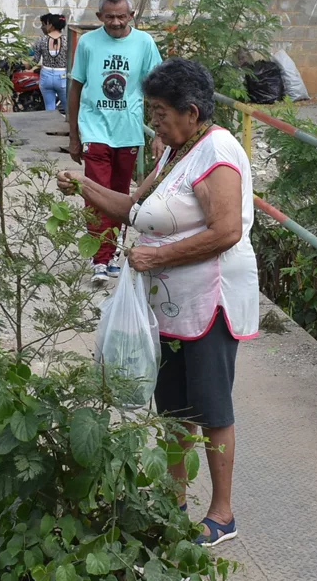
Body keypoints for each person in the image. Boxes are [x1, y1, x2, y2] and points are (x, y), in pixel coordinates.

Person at [58, 58, 259, 547]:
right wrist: (83, 185)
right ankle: (174, 501)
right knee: (172, 407)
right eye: (151, 112)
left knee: (211, 408)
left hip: (211, 299)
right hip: (169, 303)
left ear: (191, 112)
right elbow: (135, 209)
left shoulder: (217, 152)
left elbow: (228, 230)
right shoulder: (177, 150)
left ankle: (222, 513)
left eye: (161, 114)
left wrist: (159, 256)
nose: (154, 123)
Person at [69, 0, 162, 285]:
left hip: (128, 132)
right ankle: (100, 258)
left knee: (122, 196)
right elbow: (75, 88)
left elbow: (159, 90)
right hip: (95, 130)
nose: (116, 22)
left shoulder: (145, 43)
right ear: (99, 17)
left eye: (122, 16)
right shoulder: (87, 43)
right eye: (109, 17)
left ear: (132, 15)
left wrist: (160, 132)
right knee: (95, 194)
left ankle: (114, 253)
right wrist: (73, 134)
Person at [33, 14, 68, 113]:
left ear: (51, 25)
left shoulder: (41, 40)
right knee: (68, 108)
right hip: (62, 76)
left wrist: (25, 64)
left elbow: (34, 60)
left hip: (46, 76)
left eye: (47, 24)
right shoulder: (67, 40)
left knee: (49, 108)